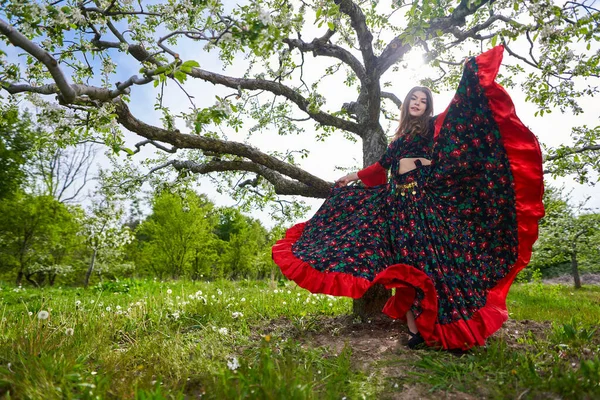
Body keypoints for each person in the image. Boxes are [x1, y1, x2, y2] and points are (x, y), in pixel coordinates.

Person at [272, 45, 545, 351]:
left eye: (423, 101)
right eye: (413, 99)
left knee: (432, 265)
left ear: (428, 107)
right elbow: (382, 167)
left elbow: (447, 147)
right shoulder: (399, 136)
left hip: (422, 203)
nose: (417, 103)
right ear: (406, 104)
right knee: (406, 266)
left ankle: (452, 331)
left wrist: (417, 162)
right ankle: (416, 332)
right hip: (398, 206)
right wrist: (352, 176)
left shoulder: (430, 129)